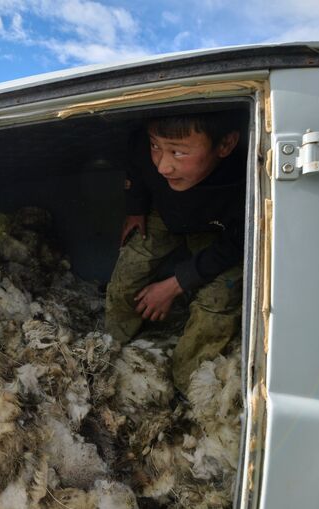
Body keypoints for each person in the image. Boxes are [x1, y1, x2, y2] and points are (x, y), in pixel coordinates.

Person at [105, 111, 246, 391]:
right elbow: (137, 165)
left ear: (226, 145)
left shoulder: (249, 174)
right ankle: (112, 349)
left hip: (221, 230)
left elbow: (237, 244)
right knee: (126, 279)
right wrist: (136, 208)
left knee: (218, 303)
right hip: (166, 214)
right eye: (156, 146)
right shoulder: (142, 147)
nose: (163, 167)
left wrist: (175, 285)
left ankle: (185, 384)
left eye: (179, 153)